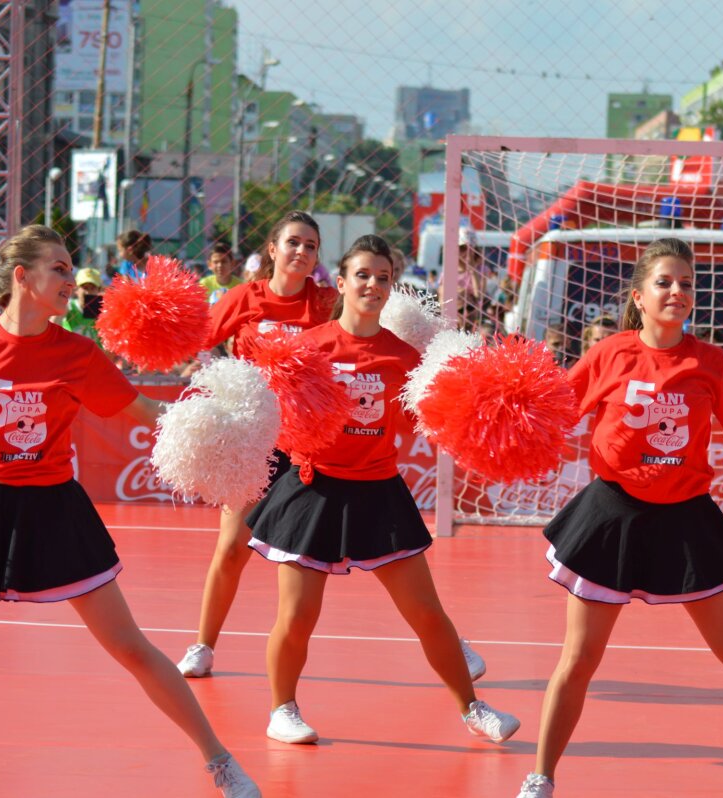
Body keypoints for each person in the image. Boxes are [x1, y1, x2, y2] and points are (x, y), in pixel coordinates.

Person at [0, 224, 259, 798]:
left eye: (71, 268)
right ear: (23, 277)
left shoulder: (77, 354)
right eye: (61, 268)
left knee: (130, 648)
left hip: (55, 509)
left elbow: (147, 410)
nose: (72, 280)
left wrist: (222, 420)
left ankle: (221, 763)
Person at [515, 238, 723, 798]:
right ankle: (540, 778)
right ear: (639, 296)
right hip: (611, 518)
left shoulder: (708, 362)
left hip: (687, 521)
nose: (677, 292)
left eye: (686, 283)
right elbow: (552, 408)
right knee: (579, 660)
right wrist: (488, 409)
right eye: (665, 282)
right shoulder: (610, 353)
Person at [173, 212, 490, 682]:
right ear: (273, 249)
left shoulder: (324, 301)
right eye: (294, 242)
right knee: (232, 546)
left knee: (398, 569)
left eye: (312, 246)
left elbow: (361, 333)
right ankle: (203, 645)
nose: (302, 252)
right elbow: (196, 343)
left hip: (319, 443)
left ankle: (451, 644)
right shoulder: (244, 298)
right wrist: (221, 387)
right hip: (262, 439)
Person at [248, 234, 519, 746]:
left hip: (378, 492)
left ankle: (472, 708)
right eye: (363, 275)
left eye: (384, 278)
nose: (373, 285)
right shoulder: (307, 348)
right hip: (314, 492)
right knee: (298, 615)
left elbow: (433, 420)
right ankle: (282, 710)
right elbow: (271, 416)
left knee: (425, 612)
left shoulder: (404, 355)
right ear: (343, 281)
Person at [61, 267, 105, 346]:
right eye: (84, 287)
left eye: (92, 288)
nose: (88, 292)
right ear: (76, 289)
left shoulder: (103, 311)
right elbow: (53, 324)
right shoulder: (69, 306)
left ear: (98, 290)